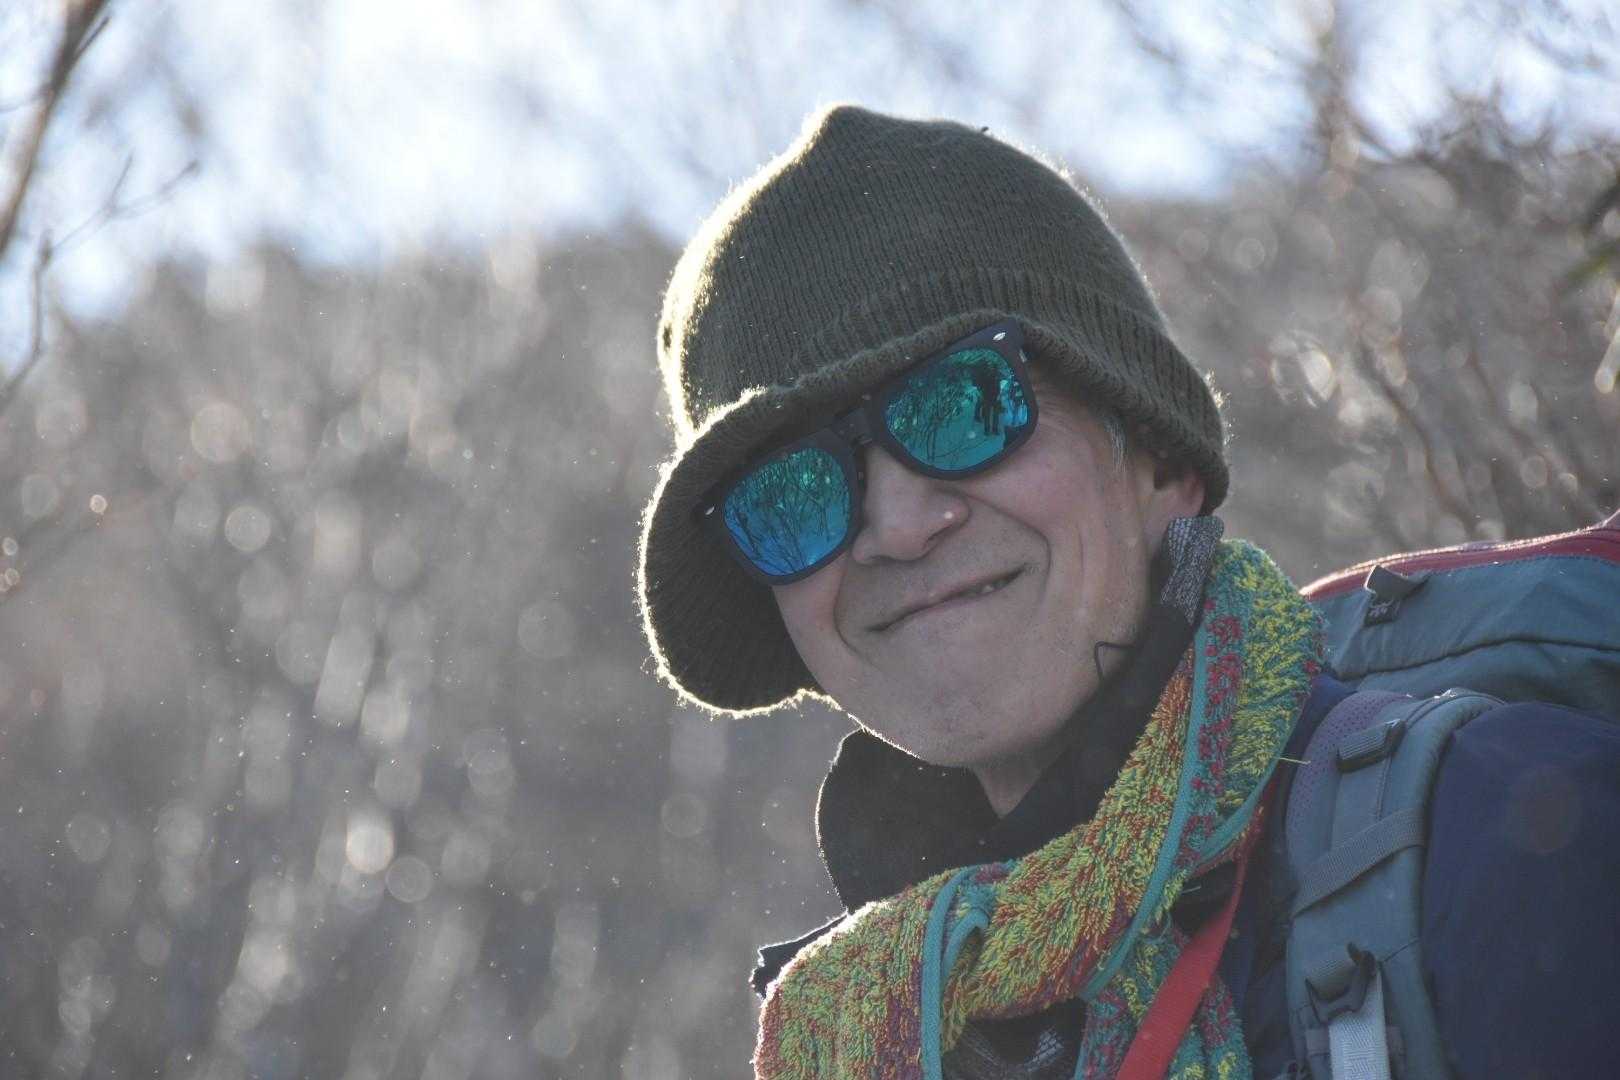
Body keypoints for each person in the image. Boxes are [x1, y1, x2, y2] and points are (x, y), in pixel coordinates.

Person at [634, 105, 1620, 1079]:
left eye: (963, 407)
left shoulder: (1512, 845)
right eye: (795, 494)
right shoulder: (859, 1030)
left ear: (1158, 460)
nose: (896, 526)